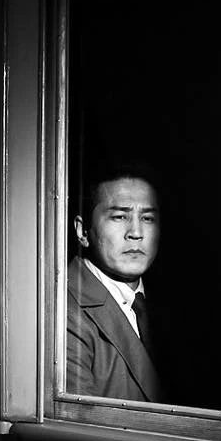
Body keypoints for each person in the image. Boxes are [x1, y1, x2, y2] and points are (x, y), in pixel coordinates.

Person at [65, 169, 166, 402]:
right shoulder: (64, 311)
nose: (136, 233)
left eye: (147, 218)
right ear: (82, 231)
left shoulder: (173, 306)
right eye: (119, 217)